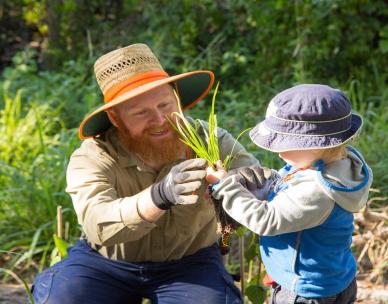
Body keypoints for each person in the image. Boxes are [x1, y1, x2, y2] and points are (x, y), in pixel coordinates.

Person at [30, 43, 259, 304]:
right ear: (116, 119)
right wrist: (160, 195)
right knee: (63, 299)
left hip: (190, 262)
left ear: (177, 98)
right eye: (142, 113)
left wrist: (234, 185)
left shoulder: (211, 141)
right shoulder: (94, 156)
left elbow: (255, 180)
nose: (160, 120)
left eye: (165, 105)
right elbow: (97, 222)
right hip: (106, 261)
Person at [207, 84, 373, 303]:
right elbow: (295, 187)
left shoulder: (318, 191)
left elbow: (266, 220)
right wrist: (270, 183)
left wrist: (226, 186)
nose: (277, 150)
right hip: (336, 278)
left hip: (305, 291)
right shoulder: (339, 164)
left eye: (283, 143)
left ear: (314, 146)